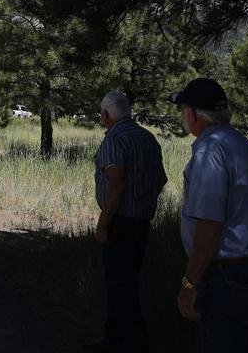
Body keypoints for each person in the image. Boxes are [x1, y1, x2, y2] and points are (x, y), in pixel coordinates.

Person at [170, 78, 248, 352]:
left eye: (183, 110)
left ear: (192, 114)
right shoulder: (242, 145)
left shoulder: (209, 151)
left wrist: (189, 284)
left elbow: (209, 224)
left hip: (226, 280)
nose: (183, 116)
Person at [84, 91, 167, 353]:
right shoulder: (147, 138)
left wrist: (102, 224)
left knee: (122, 289)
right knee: (123, 282)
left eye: (101, 113)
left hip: (120, 223)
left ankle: (134, 344)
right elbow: (161, 179)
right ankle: (112, 340)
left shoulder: (114, 140)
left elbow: (116, 186)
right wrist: (143, 199)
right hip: (142, 221)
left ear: (106, 115)